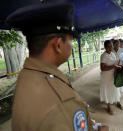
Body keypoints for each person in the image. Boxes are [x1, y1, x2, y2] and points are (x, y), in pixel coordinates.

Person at [6, 3, 109, 131]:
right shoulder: (59, 103)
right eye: (70, 40)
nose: (72, 46)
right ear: (58, 45)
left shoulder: (29, 74)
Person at [100, 40, 123, 115]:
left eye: (111, 46)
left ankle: (118, 102)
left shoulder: (113, 54)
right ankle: (108, 107)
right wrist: (113, 66)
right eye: (109, 47)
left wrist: (120, 64)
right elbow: (102, 68)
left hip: (113, 75)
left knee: (115, 89)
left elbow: (115, 63)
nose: (110, 48)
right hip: (106, 77)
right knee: (108, 91)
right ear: (105, 47)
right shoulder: (104, 55)